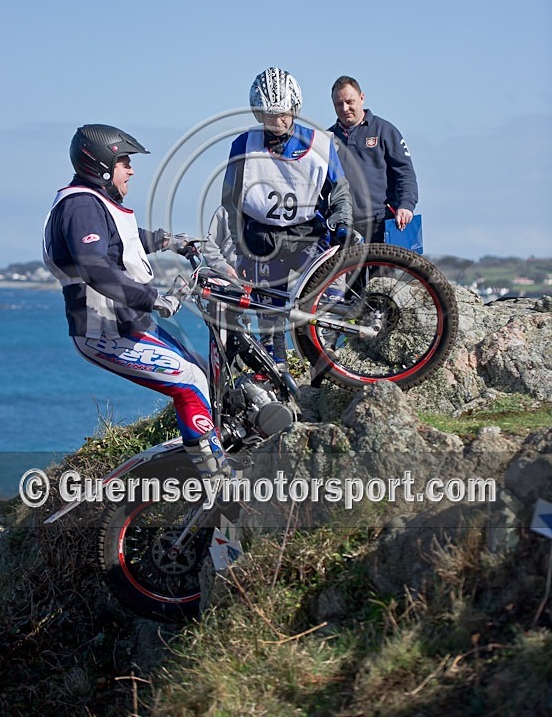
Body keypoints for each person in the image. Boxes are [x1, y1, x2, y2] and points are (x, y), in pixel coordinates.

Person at [43, 123, 231, 481]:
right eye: (125, 162)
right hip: (106, 332)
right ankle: (216, 482)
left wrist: (168, 241)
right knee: (190, 381)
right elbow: (96, 267)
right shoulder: (80, 206)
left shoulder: (94, 201)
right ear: (101, 165)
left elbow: (123, 240)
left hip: (129, 325)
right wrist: (154, 299)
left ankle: (204, 447)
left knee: (201, 373)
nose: (131, 170)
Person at [222, 67, 353, 366]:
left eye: (283, 115)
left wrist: (343, 224)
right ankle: (277, 372)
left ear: (294, 109)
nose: (277, 122)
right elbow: (230, 201)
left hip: (309, 235)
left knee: (324, 306)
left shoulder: (320, 143)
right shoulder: (243, 145)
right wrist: (238, 248)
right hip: (263, 238)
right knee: (271, 321)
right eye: (269, 116)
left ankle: (327, 365)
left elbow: (340, 192)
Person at [329, 75, 418, 243]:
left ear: (362, 98)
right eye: (338, 104)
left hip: (381, 223)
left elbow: (405, 173)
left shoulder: (385, 131)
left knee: (383, 271)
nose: (345, 108)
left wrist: (406, 206)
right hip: (344, 229)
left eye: (350, 101)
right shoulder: (326, 139)